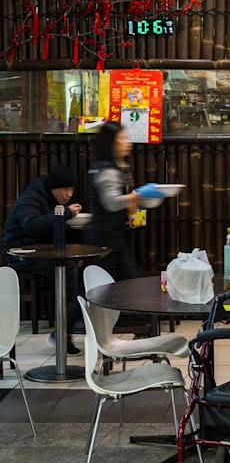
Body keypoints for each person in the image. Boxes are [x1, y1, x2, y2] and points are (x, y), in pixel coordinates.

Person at [2, 163, 84, 355]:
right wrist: (64, 213)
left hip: (43, 252)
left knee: (71, 268)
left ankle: (65, 327)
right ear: (54, 187)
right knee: (68, 270)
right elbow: (32, 226)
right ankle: (63, 332)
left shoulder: (53, 199)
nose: (69, 194)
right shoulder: (31, 199)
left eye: (72, 189)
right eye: (66, 189)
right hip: (18, 253)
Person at [85, 121, 164, 280]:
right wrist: (138, 196)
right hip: (104, 241)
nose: (127, 143)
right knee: (111, 286)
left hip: (112, 239)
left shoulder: (109, 166)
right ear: (111, 143)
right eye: (122, 139)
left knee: (122, 283)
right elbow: (111, 202)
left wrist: (136, 203)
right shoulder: (107, 169)